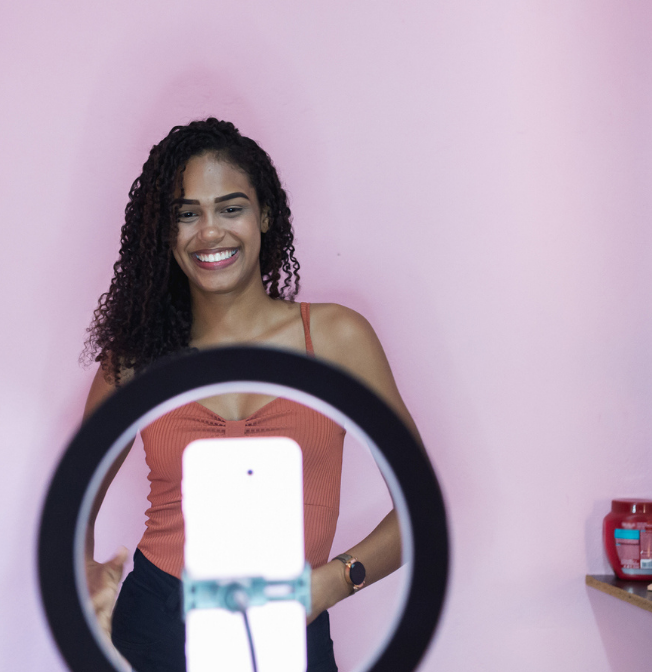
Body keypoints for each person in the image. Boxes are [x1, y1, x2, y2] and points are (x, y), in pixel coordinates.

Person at [81, 118, 420, 672]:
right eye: (186, 214)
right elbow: (77, 503)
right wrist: (85, 586)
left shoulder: (336, 339)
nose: (209, 231)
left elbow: (420, 509)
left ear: (265, 215)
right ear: (165, 234)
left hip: (294, 626)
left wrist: (337, 581)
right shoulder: (137, 359)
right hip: (157, 622)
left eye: (230, 208)